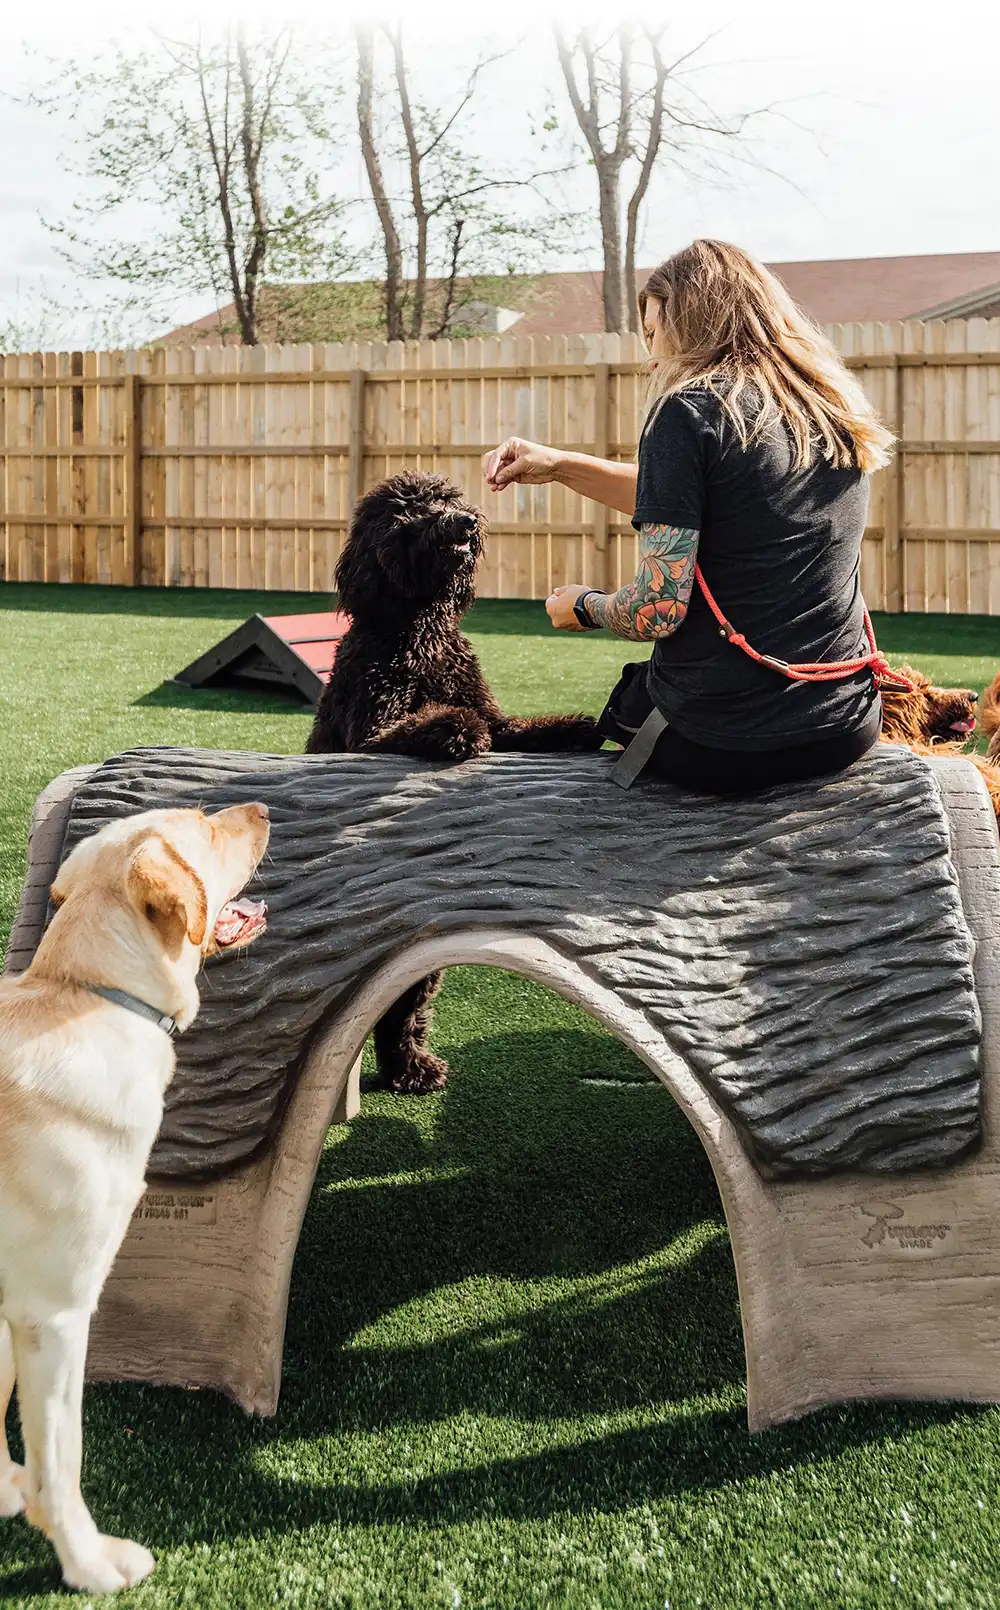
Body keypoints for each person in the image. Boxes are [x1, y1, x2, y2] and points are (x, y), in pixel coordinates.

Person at [481, 238, 896, 793]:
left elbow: (656, 611)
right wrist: (558, 464)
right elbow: (722, 509)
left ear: (693, 319)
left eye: (654, 333)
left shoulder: (689, 409)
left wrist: (583, 606)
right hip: (844, 726)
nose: (651, 356)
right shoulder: (828, 409)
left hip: (730, 742)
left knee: (628, 705)